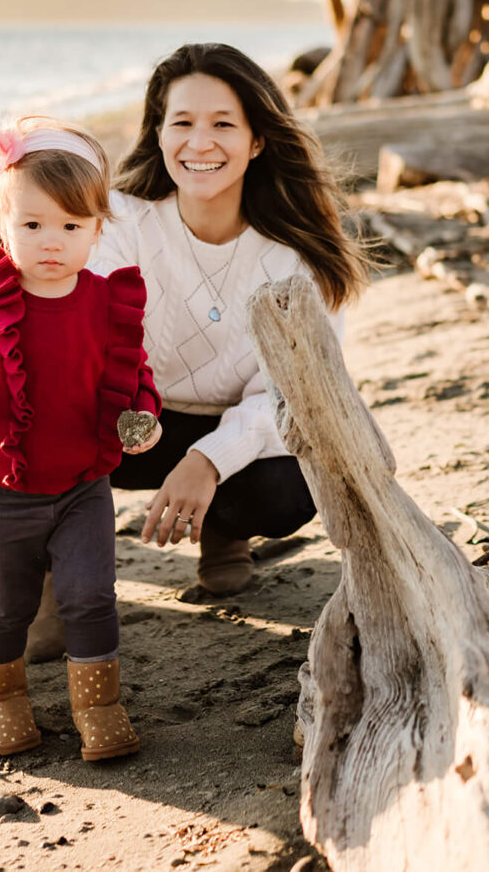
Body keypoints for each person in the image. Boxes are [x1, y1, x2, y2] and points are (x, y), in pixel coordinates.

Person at [0, 119, 159, 761]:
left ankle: (97, 704)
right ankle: (2, 701)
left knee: (90, 594)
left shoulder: (106, 304)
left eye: (72, 227)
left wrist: (142, 418)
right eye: (33, 225)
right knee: (6, 601)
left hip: (83, 486)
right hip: (2, 489)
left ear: (98, 227)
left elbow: (138, 378)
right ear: (3, 224)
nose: (52, 242)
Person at [89, 42, 369, 602]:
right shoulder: (121, 223)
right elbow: (71, 340)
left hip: (234, 427)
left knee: (289, 488)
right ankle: (58, 575)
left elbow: (294, 396)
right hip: (130, 418)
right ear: (159, 134)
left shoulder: (297, 258)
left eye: (223, 123)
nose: (200, 142)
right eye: (182, 123)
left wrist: (209, 461)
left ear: (257, 140)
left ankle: (226, 531)